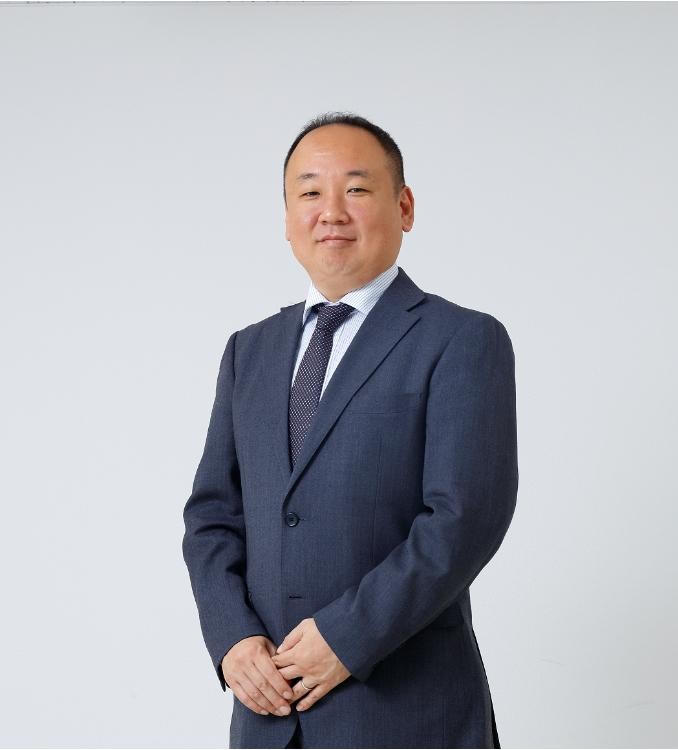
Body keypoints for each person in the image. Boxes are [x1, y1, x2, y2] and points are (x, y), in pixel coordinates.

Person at [182, 111, 519, 749]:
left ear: (405, 207)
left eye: (357, 189)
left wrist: (346, 636)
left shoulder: (461, 340)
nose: (331, 212)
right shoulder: (249, 351)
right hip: (269, 715)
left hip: (406, 715)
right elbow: (212, 516)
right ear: (287, 218)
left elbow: (464, 517)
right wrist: (233, 639)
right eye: (310, 192)